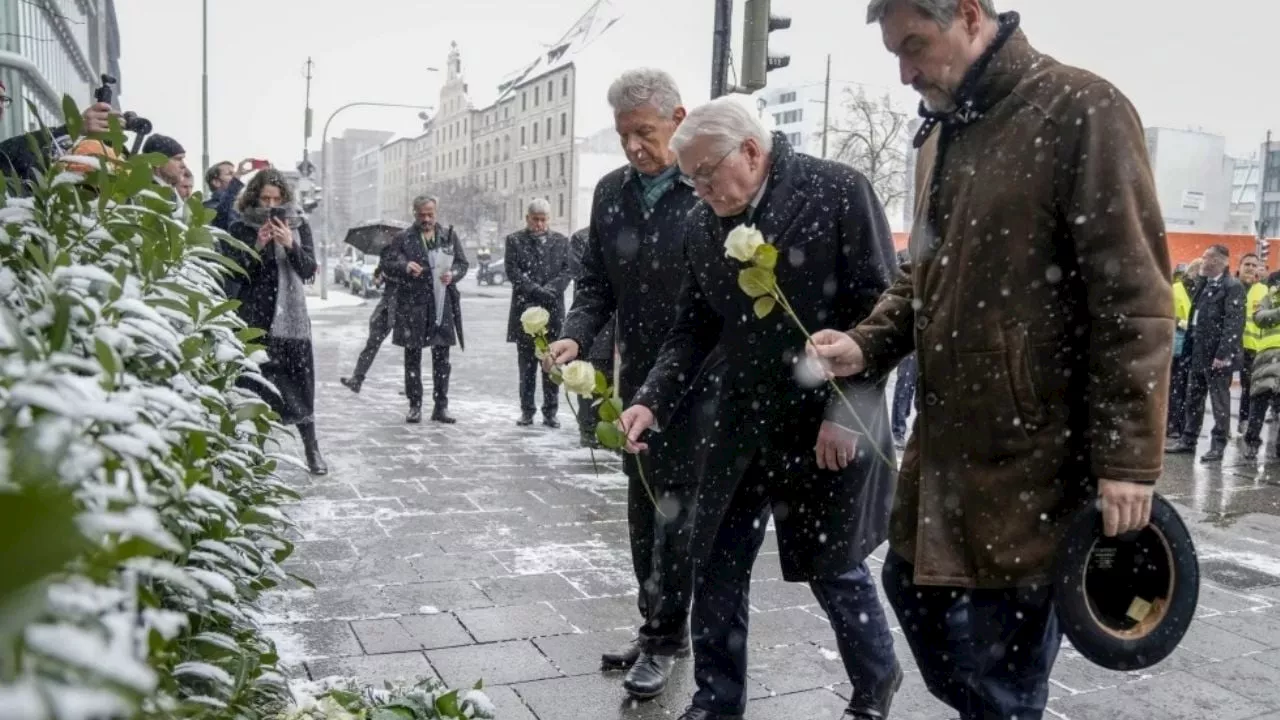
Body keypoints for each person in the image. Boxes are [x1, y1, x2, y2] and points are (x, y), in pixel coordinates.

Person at [806, 2, 1172, 719]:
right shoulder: (944, 132)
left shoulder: (1080, 110)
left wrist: (1129, 462)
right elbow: (922, 274)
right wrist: (866, 342)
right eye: (894, 55)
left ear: (969, 14)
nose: (907, 71)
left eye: (916, 45)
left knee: (1004, 674)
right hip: (946, 459)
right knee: (909, 591)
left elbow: (1134, 301)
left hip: (1033, 467)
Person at [617, 96, 902, 720]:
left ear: (750, 150)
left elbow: (882, 310)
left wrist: (847, 410)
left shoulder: (837, 191)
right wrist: (650, 400)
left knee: (833, 567)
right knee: (714, 561)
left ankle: (875, 684)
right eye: (689, 177)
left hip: (825, 420)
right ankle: (717, 701)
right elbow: (692, 328)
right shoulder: (703, 223)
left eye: (705, 173)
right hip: (743, 420)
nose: (697, 188)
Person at [547, 69, 703, 701]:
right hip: (633, 380)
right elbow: (595, 286)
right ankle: (658, 626)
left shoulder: (704, 188)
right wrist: (575, 336)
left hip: (694, 382)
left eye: (645, 132)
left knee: (678, 517)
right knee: (643, 512)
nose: (636, 147)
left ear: (677, 119)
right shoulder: (612, 192)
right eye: (624, 136)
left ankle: (668, 637)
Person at [221, 169, 327, 475]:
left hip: (290, 321)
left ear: (285, 199)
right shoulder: (240, 227)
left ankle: (312, 449)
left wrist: (291, 244)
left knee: (300, 384)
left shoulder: (298, 224)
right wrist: (257, 245)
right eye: (264, 198)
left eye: (276, 199)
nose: (270, 205)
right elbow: (235, 274)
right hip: (253, 318)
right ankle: (256, 450)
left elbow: (308, 271)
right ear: (254, 197)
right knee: (256, 386)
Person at [383, 195, 468, 424]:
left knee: (442, 359)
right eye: (422, 215)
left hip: (442, 304)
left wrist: (453, 275)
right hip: (413, 305)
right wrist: (405, 266)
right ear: (415, 213)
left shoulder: (447, 236)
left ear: (436, 213)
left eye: (430, 214)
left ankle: (441, 406)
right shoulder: (403, 238)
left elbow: (462, 264)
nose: (427, 219)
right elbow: (388, 264)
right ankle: (415, 405)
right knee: (413, 356)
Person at [1166, 244, 1245, 463]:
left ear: (1220, 261)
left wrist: (1222, 354)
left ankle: (1218, 446)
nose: (1202, 260)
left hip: (1217, 356)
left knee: (1219, 401)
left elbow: (1233, 323)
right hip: (1198, 352)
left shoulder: (1232, 286)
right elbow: (1196, 318)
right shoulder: (1204, 284)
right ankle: (1188, 439)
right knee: (1194, 397)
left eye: (1207, 257)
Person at [505, 198, 571, 428]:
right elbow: (513, 271)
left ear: (549, 220)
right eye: (536, 219)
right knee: (527, 367)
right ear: (527, 218)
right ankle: (527, 411)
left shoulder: (562, 242)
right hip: (525, 312)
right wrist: (534, 290)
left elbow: (567, 270)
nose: (540, 224)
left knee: (551, 363)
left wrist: (550, 290)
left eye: (543, 220)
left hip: (552, 311)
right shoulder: (514, 241)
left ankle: (550, 412)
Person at [0, 78, 114, 189]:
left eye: (2, 99)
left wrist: (74, 129)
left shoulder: (6, 153)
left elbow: (27, 146)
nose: (1, 106)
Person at [567, 226, 616, 448]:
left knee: (612, 379)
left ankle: (610, 431)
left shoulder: (624, 232)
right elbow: (586, 276)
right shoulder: (581, 238)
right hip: (595, 319)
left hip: (618, 321)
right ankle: (587, 428)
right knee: (590, 376)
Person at [340, 261, 397, 394]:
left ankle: (414, 397)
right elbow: (378, 280)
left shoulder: (410, 244)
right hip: (386, 306)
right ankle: (357, 378)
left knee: (412, 350)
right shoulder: (387, 252)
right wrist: (379, 277)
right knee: (372, 342)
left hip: (406, 304)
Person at [1243, 270, 1280, 460]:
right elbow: (1259, 318)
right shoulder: (1270, 297)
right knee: (1259, 401)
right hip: (1266, 356)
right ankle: (1251, 442)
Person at [1167, 260, 1198, 438]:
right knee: (1176, 386)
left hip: (1190, 345)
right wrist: (1180, 322)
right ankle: (1173, 424)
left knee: (1184, 386)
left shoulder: (1198, 290)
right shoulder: (1176, 288)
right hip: (1177, 343)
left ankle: (1180, 424)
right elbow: (1167, 311)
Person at [1239, 253, 1266, 433]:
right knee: (1221, 389)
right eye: (1247, 264)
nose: (1250, 268)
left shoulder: (1263, 291)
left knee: (1249, 387)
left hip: (1252, 348)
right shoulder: (1232, 287)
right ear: (1240, 266)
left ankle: (1244, 421)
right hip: (1231, 346)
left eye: (1254, 265)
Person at [205, 159, 257, 232]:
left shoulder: (240, 205)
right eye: (230, 174)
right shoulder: (209, 207)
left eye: (234, 173)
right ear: (216, 182)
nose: (235, 177)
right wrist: (238, 176)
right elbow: (223, 212)